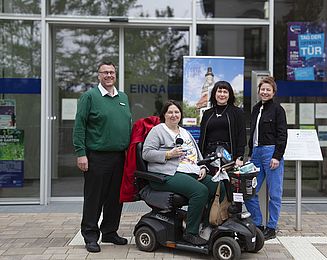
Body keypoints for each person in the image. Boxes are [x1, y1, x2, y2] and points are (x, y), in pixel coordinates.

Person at [142, 100, 223, 246]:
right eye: (170, 112)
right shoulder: (158, 130)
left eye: (177, 112)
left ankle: (205, 225)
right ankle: (190, 233)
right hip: (166, 174)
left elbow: (197, 155)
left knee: (218, 186)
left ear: (180, 114)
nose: (174, 115)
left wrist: (203, 168)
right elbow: (146, 154)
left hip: (190, 171)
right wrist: (168, 154)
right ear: (164, 115)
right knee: (200, 191)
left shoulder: (184, 132)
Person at [73, 61, 132, 253]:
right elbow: (79, 126)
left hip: (119, 157)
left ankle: (109, 231)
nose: (109, 75)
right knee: (94, 198)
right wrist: (81, 153)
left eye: (112, 72)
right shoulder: (89, 97)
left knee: (116, 198)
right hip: (97, 156)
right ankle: (90, 235)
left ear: (116, 75)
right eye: (105, 72)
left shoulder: (122, 97)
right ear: (98, 75)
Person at [244, 76, 287, 241]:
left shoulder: (278, 110)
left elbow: (282, 135)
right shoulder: (255, 109)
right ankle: (257, 223)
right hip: (255, 153)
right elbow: (253, 133)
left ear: (273, 92)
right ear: (259, 91)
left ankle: (271, 227)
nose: (265, 92)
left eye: (268, 89)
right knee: (249, 190)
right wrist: (250, 155)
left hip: (271, 153)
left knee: (275, 193)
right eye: (263, 89)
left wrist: (277, 156)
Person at [198, 80, 246, 169]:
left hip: (229, 155)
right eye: (219, 91)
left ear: (229, 95)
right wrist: (200, 158)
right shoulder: (207, 113)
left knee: (227, 182)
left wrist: (240, 157)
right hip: (209, 155)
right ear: (214, 94)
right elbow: (202, 138)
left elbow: (241, 136)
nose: (222, 94)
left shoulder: (237, 112)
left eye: (225, 92)